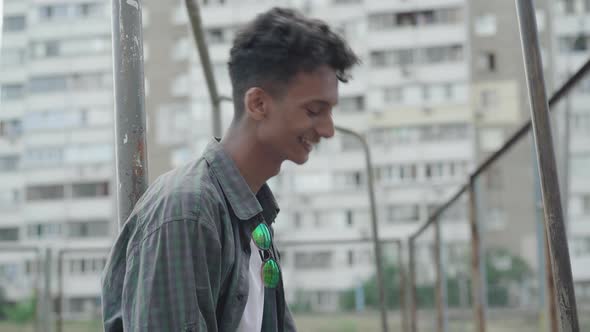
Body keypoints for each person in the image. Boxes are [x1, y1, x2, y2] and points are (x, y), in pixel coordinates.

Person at [101, 6, 359, 332]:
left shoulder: (253, 216)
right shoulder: (188, 210)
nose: (327, 129)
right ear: (258, 104)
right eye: (314, 110)